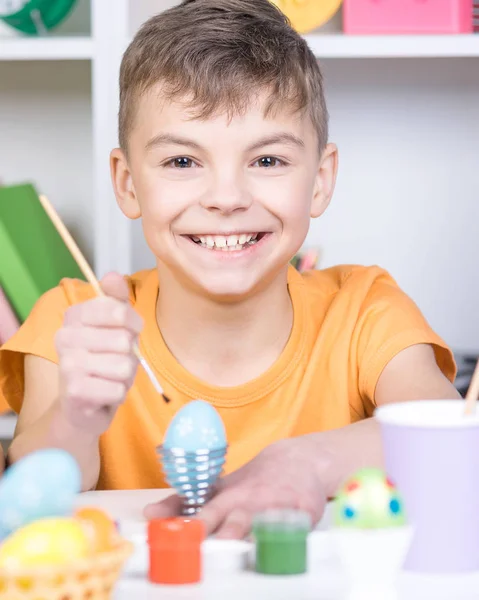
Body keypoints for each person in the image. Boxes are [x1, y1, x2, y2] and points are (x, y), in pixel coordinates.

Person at [0, 0, 459, 539]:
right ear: (127, 183)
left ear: (320, 179)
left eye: (267, 160)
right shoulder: (75, 320)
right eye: (182, 161)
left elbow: (447, 438)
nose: (226, 198)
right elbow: (31, 502)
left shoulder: (364, 308)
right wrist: (75, 419)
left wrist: (307, 462)